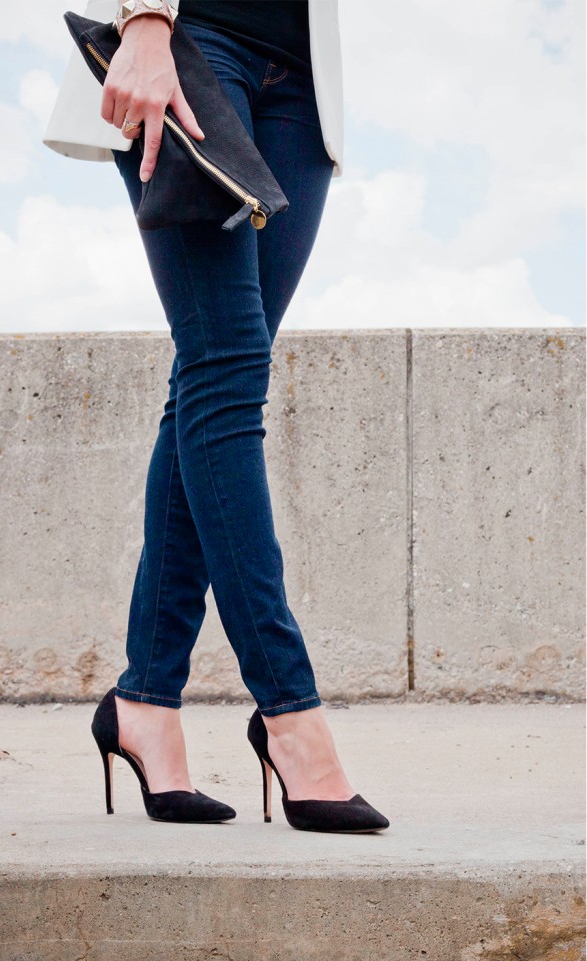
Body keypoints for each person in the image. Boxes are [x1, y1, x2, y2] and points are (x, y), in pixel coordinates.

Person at [44, 0, 389, 833]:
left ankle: (144, 704)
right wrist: (146, 22)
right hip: (192, 48)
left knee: (213, 375)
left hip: (301, 81)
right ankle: (290, 714)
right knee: (226, 373)